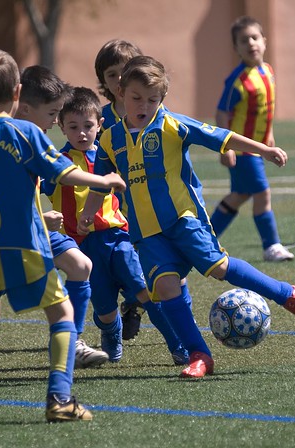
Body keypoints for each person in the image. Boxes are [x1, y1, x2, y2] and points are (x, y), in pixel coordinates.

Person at [78, 55, 295, 379]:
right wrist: (88, 211)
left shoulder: (172, 125)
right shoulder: (111, 138)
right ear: (121, 92)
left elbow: (222, 137)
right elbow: (103, 180)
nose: (144, 105)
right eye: (137, 98)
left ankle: (287, 294)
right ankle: (199, 355)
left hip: (184, 218)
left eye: (153, 99)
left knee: (219, 268)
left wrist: (263, 149)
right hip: (146, 232)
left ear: (161, 99)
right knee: (165, 288)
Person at [0, 47, 126, 423]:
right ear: (17, 93)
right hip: (25, 246)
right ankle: (60, 398)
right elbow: (63, 173)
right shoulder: (23, 132)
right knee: (62, 311)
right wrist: (102, 179)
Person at [44, 86, 188, 364]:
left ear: (100, 125)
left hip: (118, 238)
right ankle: (112, 331)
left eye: (88, 126)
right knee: (105, 310)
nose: (81, 133)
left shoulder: (107, 156)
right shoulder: (55, 164)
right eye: (73, 127)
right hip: (82, 248)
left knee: (145, 291)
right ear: (61, 127)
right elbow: (31, 191)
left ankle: (177, 345)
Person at [94, 39, 193, 339]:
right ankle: (134, 310)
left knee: (172, 274)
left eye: (125, 71)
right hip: (121, 213)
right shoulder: (99, 119)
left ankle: (182, 334)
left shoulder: (154, 111)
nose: (119, 79)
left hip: (160, 211)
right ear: (104, 81)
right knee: (139, 274)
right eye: (112, 75)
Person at [16, 65, 109, 369]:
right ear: (26, 108)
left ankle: (73, 345)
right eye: (52, 113)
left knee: (80, 265)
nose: (55, 121)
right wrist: (106, 182)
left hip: (38, 230)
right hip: (12, 235)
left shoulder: (35, 136)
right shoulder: (15, 140)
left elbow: (61, 173)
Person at [210, 16, 294, 262]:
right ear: (235, 48)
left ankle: (206, 238)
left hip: (257, 147)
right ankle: (272, 246)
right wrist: (225, 148)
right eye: (243, 40)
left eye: (254, 37)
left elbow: (264, 109)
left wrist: (269, 134)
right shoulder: (238, 80)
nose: (250, 43)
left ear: (264, 42)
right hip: (243, 149)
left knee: (240, 196)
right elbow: (221, 113)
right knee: (262, 193)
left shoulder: (267, 70)